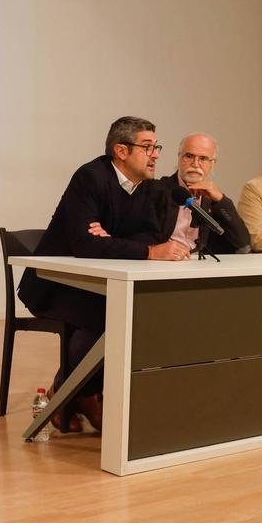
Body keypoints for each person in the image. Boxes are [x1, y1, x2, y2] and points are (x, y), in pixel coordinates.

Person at [18, 116, 188, 433]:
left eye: (156, 147)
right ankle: (77, 395)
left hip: (99, 283)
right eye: (148, 147)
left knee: (134, 311)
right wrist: (142, 250)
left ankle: (74, 393)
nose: (156, 155)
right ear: (120, 150)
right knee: (108, 315)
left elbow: (149, 235)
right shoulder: (90, 178)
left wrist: (110, 240)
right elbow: (85, 243)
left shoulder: (150, 188)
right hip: (55, 284)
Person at [155, 133, 250, 256]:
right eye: (189, 156)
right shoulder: (158, 190)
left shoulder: (214, 200)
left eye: (203, 159)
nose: (195, 164)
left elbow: (243, 245)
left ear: (212, 163)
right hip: (162, 265)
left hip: (201, 266)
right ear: (179, 158)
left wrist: (221, 200)